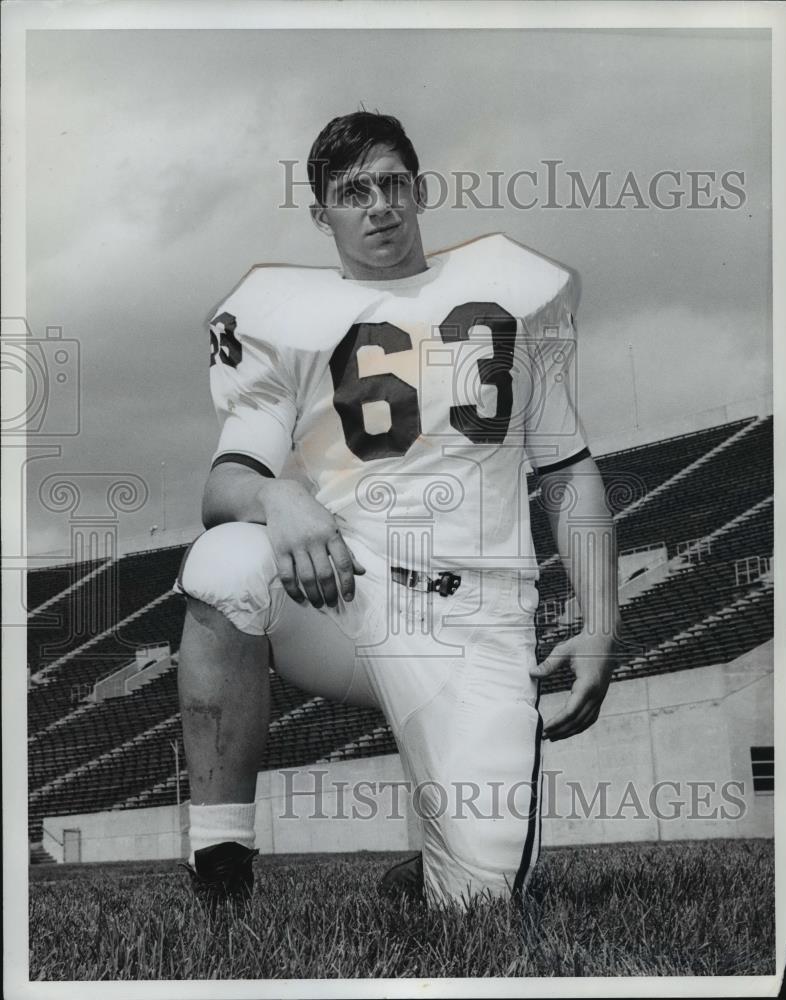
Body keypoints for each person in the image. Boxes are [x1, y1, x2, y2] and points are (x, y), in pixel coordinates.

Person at [175, 111, 619, 909]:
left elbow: (569, 474)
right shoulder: (286, 320)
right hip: (351, 596)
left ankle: (440, 867)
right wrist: (279, 495)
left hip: (478, 623)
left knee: (480, 909)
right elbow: (223, 487)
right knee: (226, 564)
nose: (378, 205)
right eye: (353, 192)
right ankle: (220, 859)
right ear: (322, 214)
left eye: (392, 184)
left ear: (418, 190)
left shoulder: (507, 294)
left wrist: (600, 624)